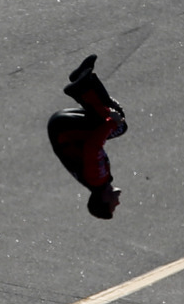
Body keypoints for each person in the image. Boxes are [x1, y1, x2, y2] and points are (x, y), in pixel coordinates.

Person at [47, 55, 127, 219]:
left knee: (118, 125)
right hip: (63, 129)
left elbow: (93, 146)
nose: (117, 203)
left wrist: (111, 122)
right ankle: (83, 80)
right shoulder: (97, 181)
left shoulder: (97, 179)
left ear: (103, 199)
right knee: (111, 119)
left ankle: (82, 86)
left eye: (113, 206)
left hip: (64, 130)